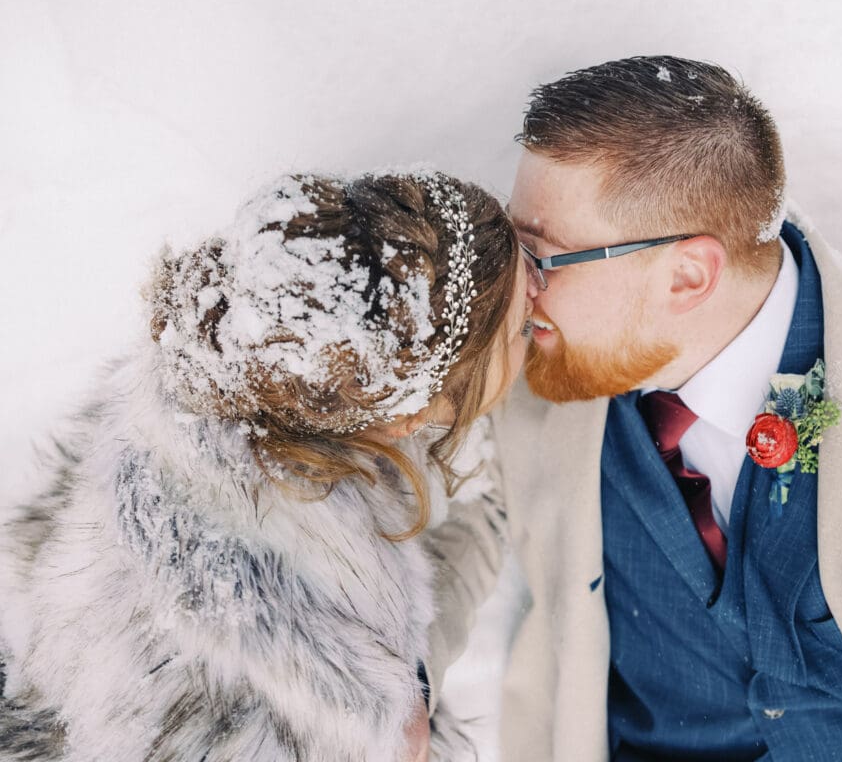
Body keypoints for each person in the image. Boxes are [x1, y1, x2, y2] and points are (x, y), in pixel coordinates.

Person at [423, 57, 842, 761]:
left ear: (688, 274)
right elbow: (468, 510)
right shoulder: (535, 371)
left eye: (540, 256)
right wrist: (399, 677)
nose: (519, 291)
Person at [0, 170, 532, 761]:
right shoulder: (295, 722)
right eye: (520, 333)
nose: (539, 308)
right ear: (411, 412)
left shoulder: (212, 408)